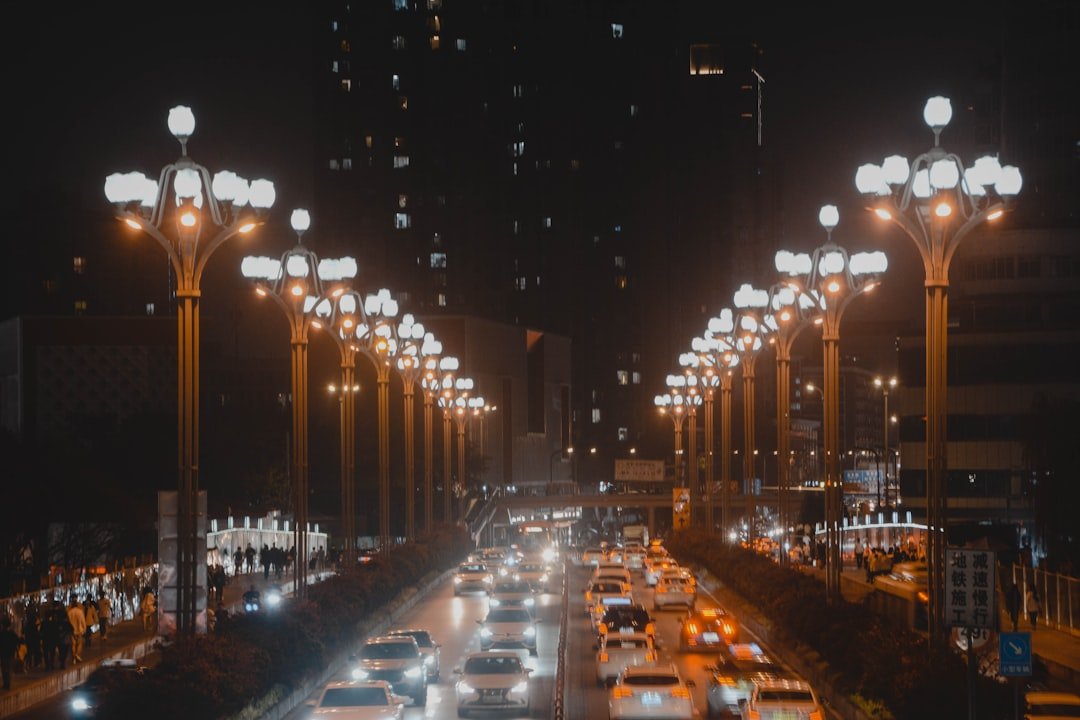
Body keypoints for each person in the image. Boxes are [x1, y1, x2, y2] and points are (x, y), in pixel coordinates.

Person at [0, 616, 19, 691]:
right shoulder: (12, 633)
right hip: (11, 653)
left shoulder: (1, 633)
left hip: (3, 653)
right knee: (9, 668)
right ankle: (8, 683)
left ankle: (6, 683)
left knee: (4, 668)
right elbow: (17, 641)